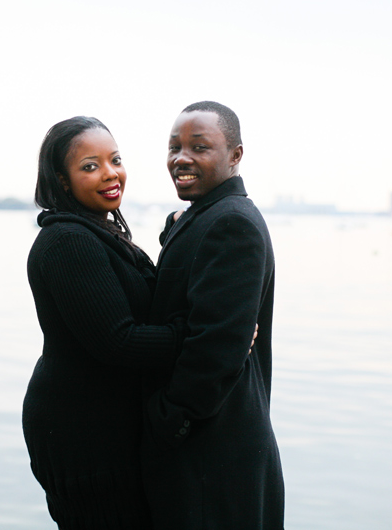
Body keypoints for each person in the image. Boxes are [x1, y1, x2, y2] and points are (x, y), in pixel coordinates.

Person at [22, 116, 186, 529]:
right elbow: (120, 341)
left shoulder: (97, 230)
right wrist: (210, 337)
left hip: (102, 426)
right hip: (83, 438)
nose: (110, 173)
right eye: (90, 166)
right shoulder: (68, 242)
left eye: (114, 159)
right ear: (62, 180)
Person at [142, 101, 285, 529]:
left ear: (235, 156)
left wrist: (168, 419)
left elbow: (217, 347)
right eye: (174, 147)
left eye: (199, 147)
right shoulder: (206, 216)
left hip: (215, 454)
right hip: (210, 448)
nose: (181, 158)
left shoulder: (232, 224)